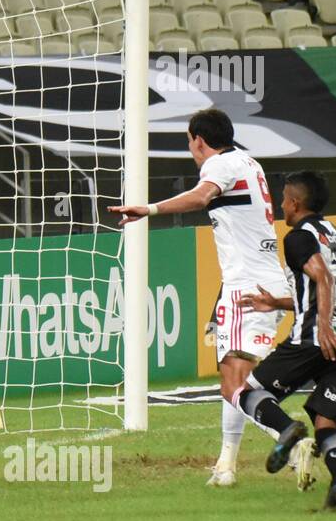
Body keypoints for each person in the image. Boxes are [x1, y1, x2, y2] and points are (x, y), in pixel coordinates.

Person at [109, 107, 291, 486]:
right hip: (266, 282)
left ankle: (288, 439)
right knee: (237, 378)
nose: (192, 151)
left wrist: (148, 209)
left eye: (190, 143)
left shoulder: (219, 165)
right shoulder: (248, 162)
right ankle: (226, 466)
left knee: (234, 383)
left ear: (199, 140)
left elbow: (201, 197)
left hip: (247, 289)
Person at [238, 171, 336, 510]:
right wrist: (278, 302)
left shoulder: (298, 237)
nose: (281, 204)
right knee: (328, 426)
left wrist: (323, 326)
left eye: (283, 199)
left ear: (295, 203)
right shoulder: (334, 234)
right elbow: (326, 284)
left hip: (317, 338)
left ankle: (287, 430)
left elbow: (322, 277)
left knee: (248, 392)